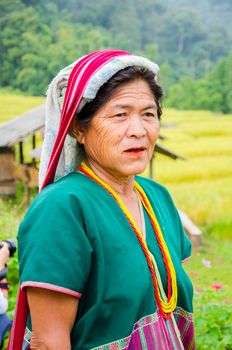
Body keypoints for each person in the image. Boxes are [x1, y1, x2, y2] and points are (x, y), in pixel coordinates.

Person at [8, 49, 195, 350]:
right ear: (79, 129)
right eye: (120, 115)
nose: (138, 131)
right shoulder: (63, 208)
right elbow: (48, 341)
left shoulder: (157, 197)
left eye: (148, 114)